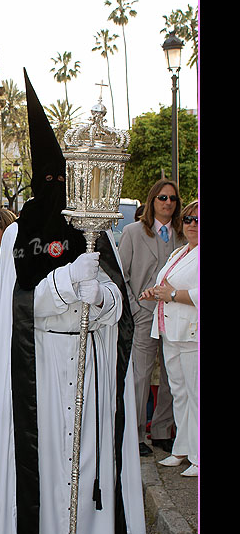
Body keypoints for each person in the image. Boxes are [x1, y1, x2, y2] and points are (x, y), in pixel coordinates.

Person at [0, 70, 146, 534]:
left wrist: (104, 295)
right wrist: (68, 283)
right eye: (48, 180)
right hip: (42, 367)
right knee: (46, 458)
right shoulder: (17, 237)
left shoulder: (91, 232)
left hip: (90, 361)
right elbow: (18, 308)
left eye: (61, 181)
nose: (54, 191)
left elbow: (120, 303)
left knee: (91, 452)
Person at [118, 179, 185, 456]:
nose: (167, 203)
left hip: (175, 314)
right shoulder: (134, 232)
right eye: (162, 198)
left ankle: (161, 431)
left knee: (172, 376)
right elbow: (121, 275)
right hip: (144, 315)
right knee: (140, 376)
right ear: (152, 201)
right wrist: (133, 308)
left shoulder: (184, 235)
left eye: (172, 199)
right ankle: (135, 436)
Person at [139, 201, 198, 477]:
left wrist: (172, 295)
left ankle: (198, 456)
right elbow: (167, 284)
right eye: (188, 219)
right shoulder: (179, 252)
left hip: (191, 332)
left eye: (198, 220)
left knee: (196, 395)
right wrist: (156, 292)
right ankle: (182, 449)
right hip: (170, 330)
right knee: (180, 393)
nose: (192, 224)